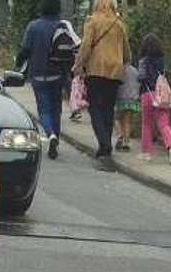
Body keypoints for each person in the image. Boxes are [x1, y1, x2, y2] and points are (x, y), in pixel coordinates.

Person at [72, 0, 128, 172]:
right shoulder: (119, 24)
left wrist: (78, 65)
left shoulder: (92, 21)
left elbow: (86, 46)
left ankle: (104, 144)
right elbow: (126, 50)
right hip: (114, 72)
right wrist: (123, 61)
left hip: (96, 70)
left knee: (95, 108)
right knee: (108, 109)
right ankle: (105, 148)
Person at [16, 0, 70, 159]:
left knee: (43, 108)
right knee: (56, 109)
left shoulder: (33, 26)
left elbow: (25, 49)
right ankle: (56, 139)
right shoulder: (62, 26)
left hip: (38, 74)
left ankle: (50, 134)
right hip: (58, 73)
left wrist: (18, 63)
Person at [136, 34, 171, 165]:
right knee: (164, 123)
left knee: (147, 123)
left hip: (147, 94)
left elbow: (141, 77)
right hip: (162, 94)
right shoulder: (162, 61)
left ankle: (146, 152)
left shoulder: (144, 61)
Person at [114, 62, 138, 152]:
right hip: (132, 99)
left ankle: (120, 134)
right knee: (127, 121)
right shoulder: (135, 70)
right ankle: (126, 142)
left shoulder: (118, 70)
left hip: (121, 98)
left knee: (116, 118)